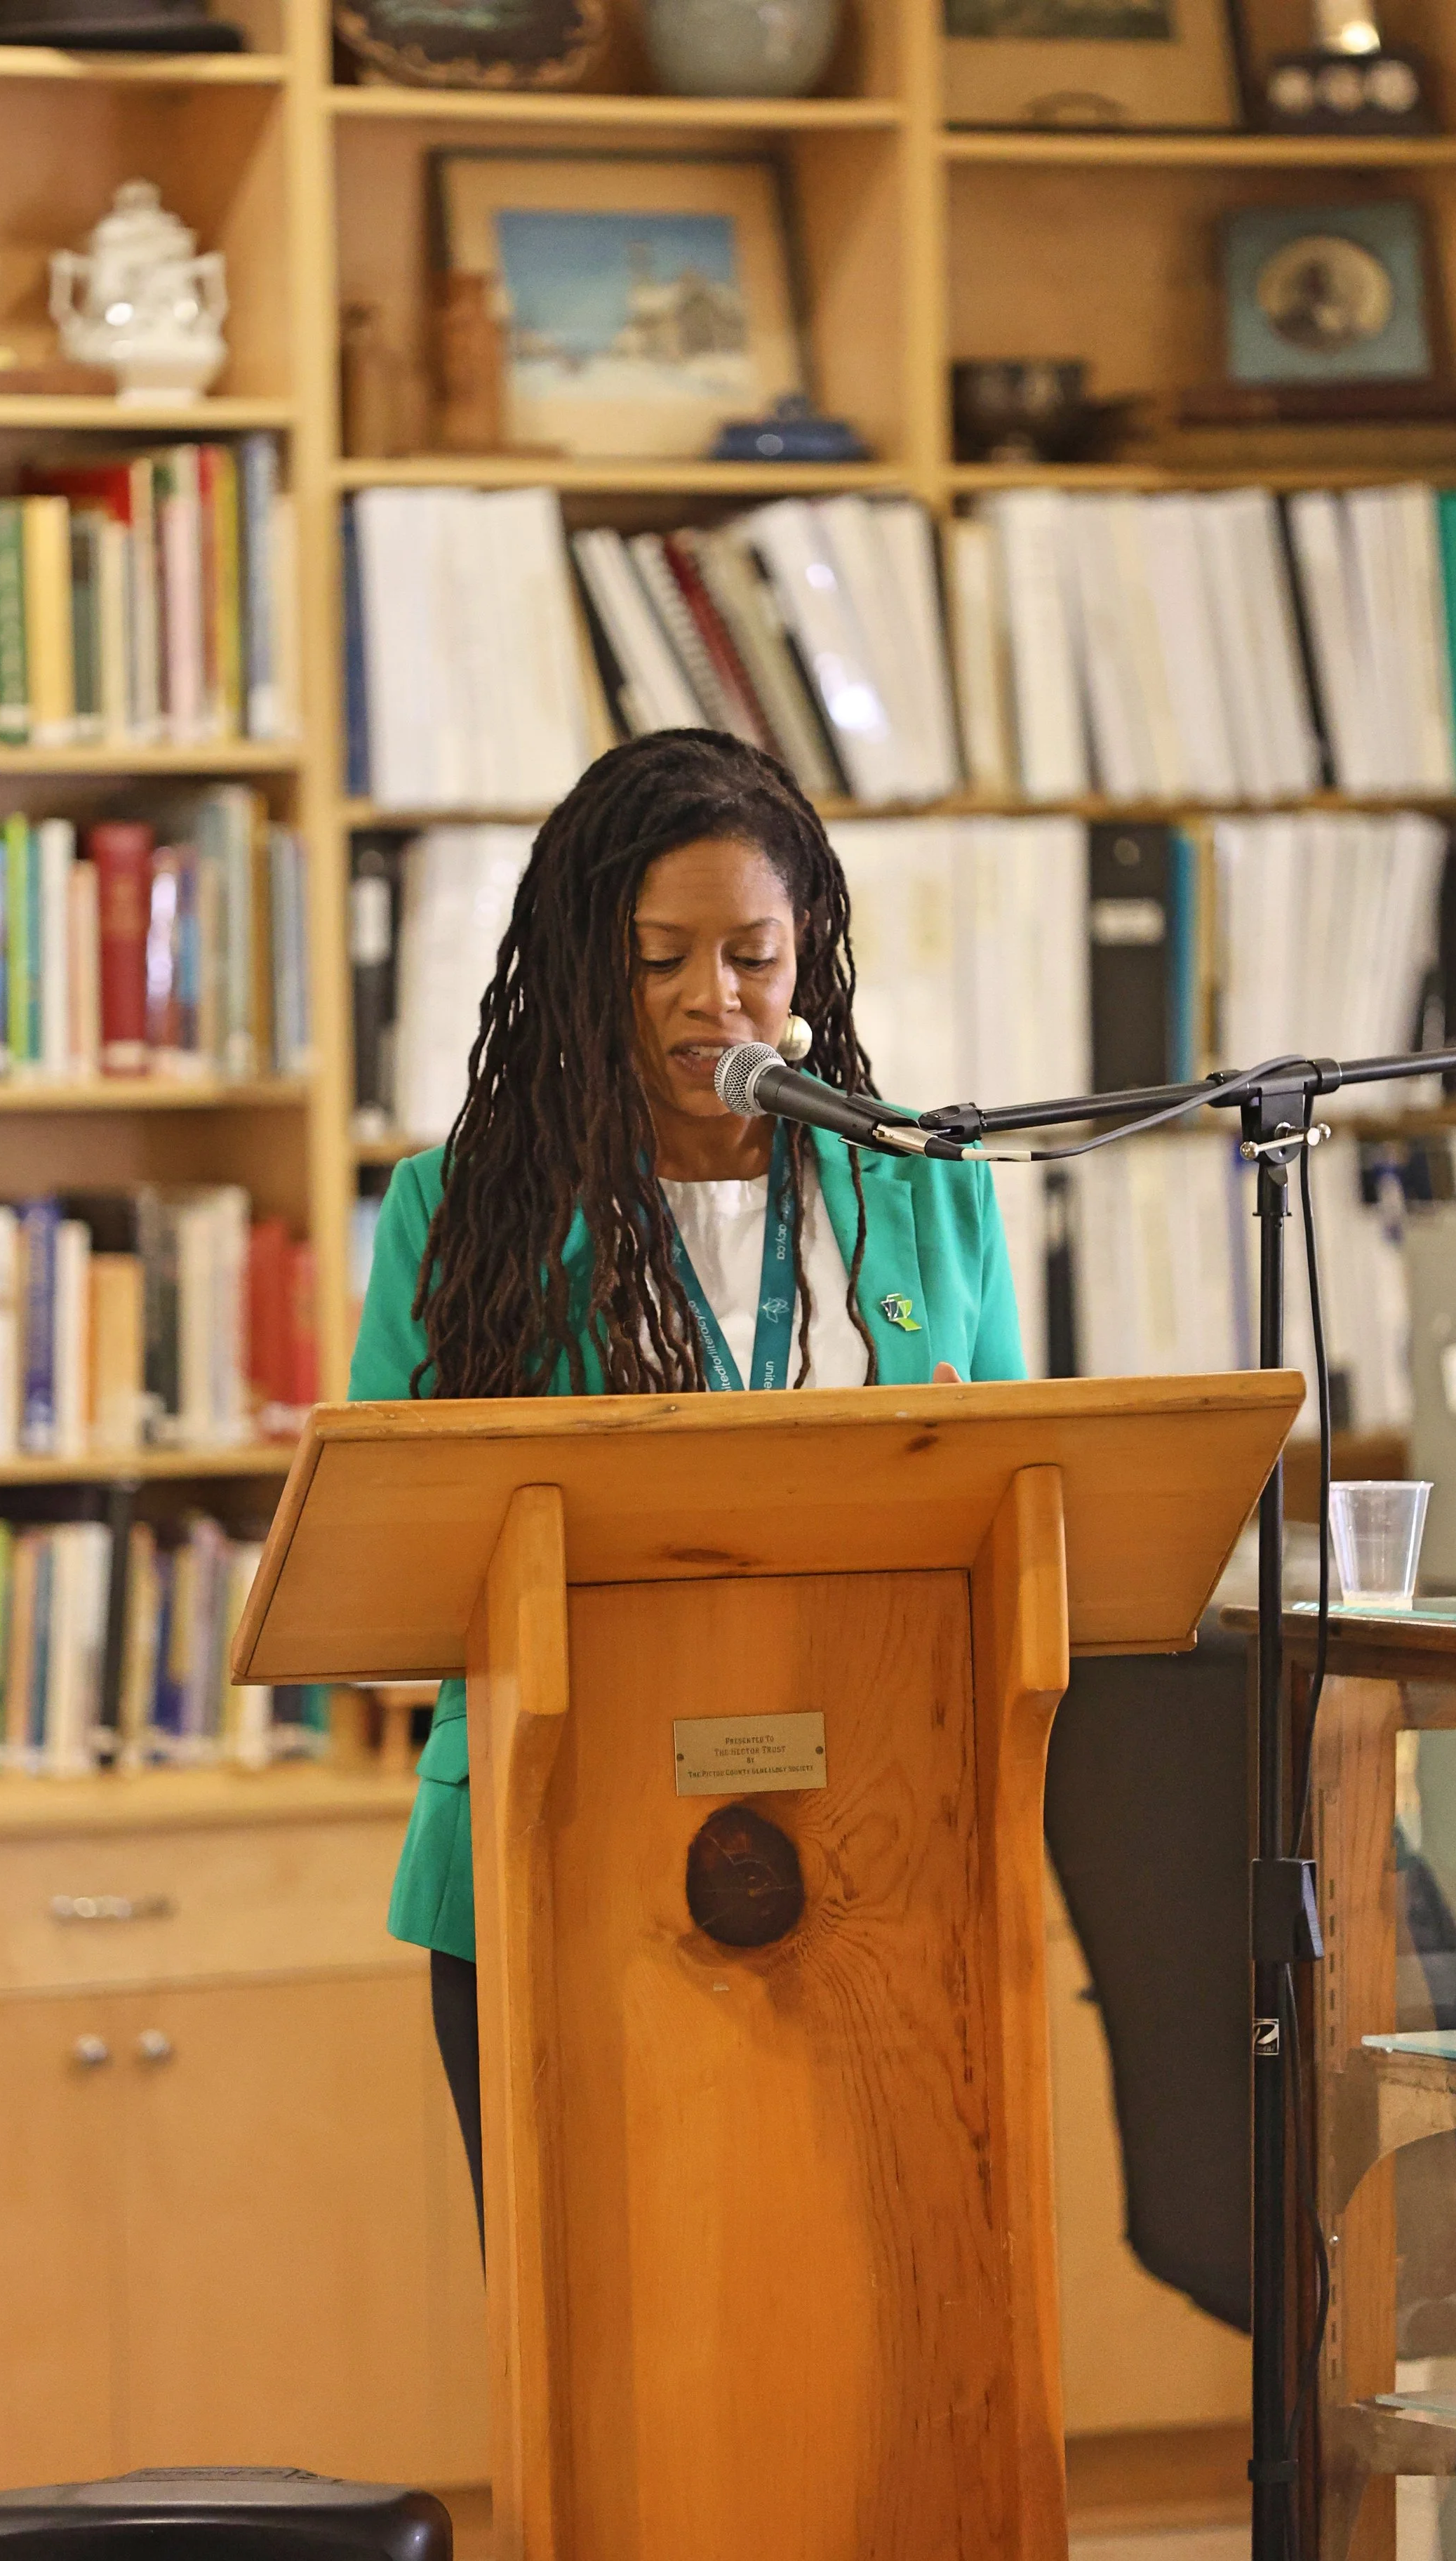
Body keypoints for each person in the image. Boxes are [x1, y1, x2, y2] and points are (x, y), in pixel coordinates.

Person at [347, 727, 1026, 2233]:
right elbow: (392, 1554)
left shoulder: (921, 1193)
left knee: (869, 2327)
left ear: (808, 965)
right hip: (559, 1846)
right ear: (583, 963)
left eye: (751, 958)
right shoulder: (460, 1214)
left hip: (876, 1850)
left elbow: (1021, 1505)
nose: (710, 1001)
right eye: (657, 958)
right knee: (595, 2333)